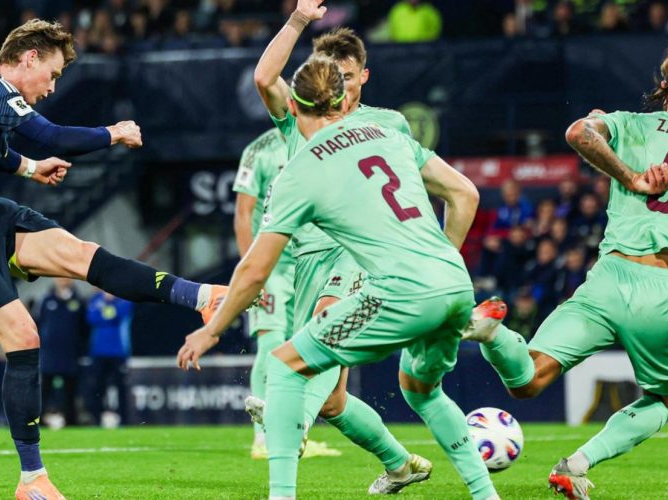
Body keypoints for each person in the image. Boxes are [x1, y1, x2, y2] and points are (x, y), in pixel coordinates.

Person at [0, 19, 227, 500]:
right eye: (52, 73)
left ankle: (201, 297)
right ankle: (32, 480)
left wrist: (29, 168)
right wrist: (113, 132)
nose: (51, 87)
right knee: (24, 336)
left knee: (80, 254)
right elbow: (53, 136)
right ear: (29, 58)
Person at [178, 56, 499, 500]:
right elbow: (465, 192)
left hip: (397, 292)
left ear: (293, 106)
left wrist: (212, 329)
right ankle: (476, 491)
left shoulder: (303, 168)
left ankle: (282, 491)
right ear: (341, 99)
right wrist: (440, 265)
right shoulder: (388, 134)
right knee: (421, 391)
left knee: (285, 365)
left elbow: (254, 270)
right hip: (454, 281)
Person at [462, 35, 668, 499]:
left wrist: (627, 169)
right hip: (666, 289)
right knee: (667, 398)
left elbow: (579, 134)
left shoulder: (630, 123)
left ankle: (494, 335)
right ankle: (575, 465)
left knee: (528, 378)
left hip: (609, 279)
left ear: (663, 86)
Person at [250, 1, 426, 492]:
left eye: (346, 77)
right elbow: (264, 78)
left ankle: (290, 418)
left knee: (321, 332)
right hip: (307, 258)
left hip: (357, 252)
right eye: (330, 77)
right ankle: (401, 464)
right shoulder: (299, 118)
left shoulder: (387, 124)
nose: (339, 87)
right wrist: (298, 20)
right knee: (334, 399)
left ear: (363, 76)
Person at [233, 129, 337, 459]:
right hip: (272, 268)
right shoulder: (259, 150)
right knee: (271, 343)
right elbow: (243, 214)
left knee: (306, 348)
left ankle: (293, 430)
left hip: (309, 263)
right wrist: (253, 271)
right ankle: (262, 438)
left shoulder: (320, 140)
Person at [35, 277, 88, 427]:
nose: (63, 280)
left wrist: (81, 351)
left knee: (70, 391)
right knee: (44, 390)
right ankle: (39, 421)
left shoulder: (79, 301)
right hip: (49, 354)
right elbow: (38, 323)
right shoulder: (46, 300)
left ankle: (71, 422)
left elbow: (85, 329)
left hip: (70, 354)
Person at [85, 290, 133, 427]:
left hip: (119, 351)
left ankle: (124, 420)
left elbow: (121, 313)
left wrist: (106, 309)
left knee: (121, 388)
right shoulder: (95, 299)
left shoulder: (124, 297)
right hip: (99, 351)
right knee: (98, 387)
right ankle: (97, 419)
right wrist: (109, 309)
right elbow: (91, 318)